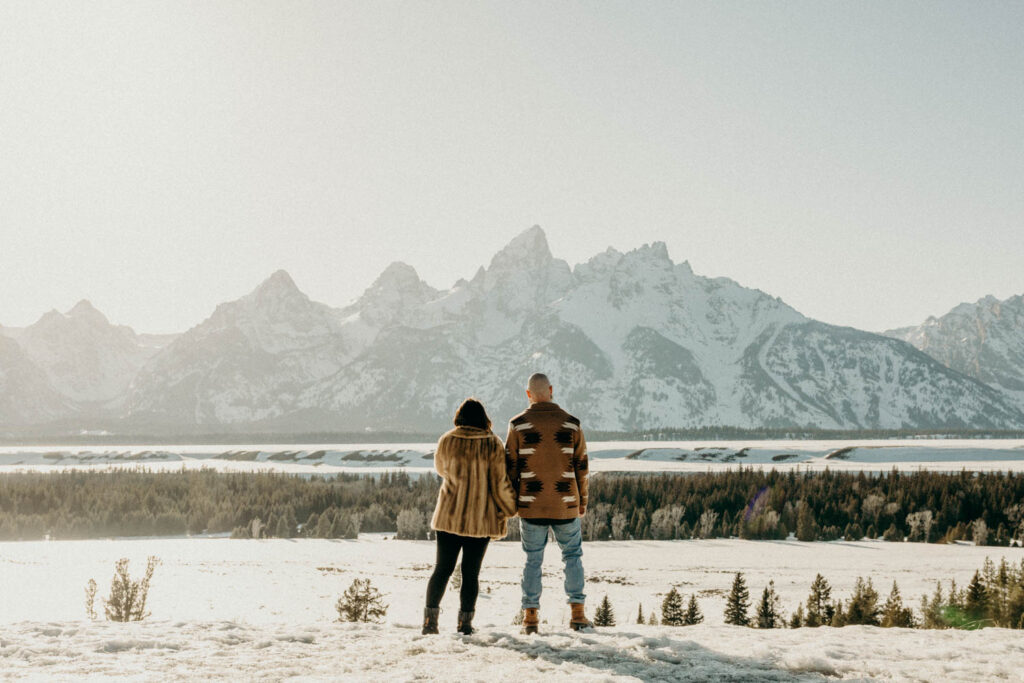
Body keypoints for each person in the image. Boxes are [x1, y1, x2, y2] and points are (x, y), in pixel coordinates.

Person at [506, 373, 592, 634]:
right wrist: (582, 501)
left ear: (528, 393)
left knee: (533, 560)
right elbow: (582, 468)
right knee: (573, 556)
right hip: (565, 503)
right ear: (551, 390)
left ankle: (530, 618)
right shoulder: (572, 424)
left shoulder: (517, 424)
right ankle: (578, 614)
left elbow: (510, 468)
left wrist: (512, 504)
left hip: (531, 505)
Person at [423, 398, 517, 636]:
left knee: (441, 569)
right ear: (484, 419)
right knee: (470, 573)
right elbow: (499, 483)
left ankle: (430, 622)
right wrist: (511, 507)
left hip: (449, 517)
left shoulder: (447, 440)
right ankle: (465, 623)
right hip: (480, 520)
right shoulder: (493, 444)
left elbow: (441, 469)